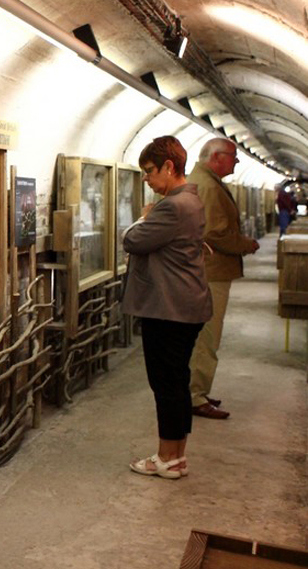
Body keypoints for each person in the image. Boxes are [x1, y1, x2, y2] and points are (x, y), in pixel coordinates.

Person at [122, 136, 212, 479]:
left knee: (166, 384)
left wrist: (145, 217)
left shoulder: (172, 206)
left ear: (169, 167)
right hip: (185, 307)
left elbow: (132, 240)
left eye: (149, 171)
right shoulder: (191, 201)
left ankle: (166, 458)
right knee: (177, 381)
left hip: (169, 309)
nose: (146, 179)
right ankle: (176, 456)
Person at [184, 138, 259, 419]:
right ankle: (195, 396)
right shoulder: (208, 186)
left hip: (204, 270)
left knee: (202, 335)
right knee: (208, 335)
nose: (236, 162)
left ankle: (195, 390)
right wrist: (244, 244)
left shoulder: (204, 180)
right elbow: (214, 234)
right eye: (233, 157)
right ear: (216, 157)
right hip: (210, 272)